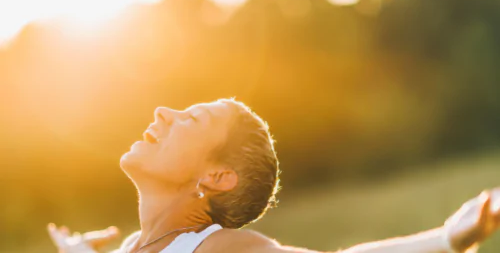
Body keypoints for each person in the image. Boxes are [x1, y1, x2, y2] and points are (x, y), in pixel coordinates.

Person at [48, 98, 500, 253]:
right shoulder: (133, 245)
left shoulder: (216, 247)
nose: (163, 112)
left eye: (191, 119)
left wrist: (445, 239)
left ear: (218, 176)